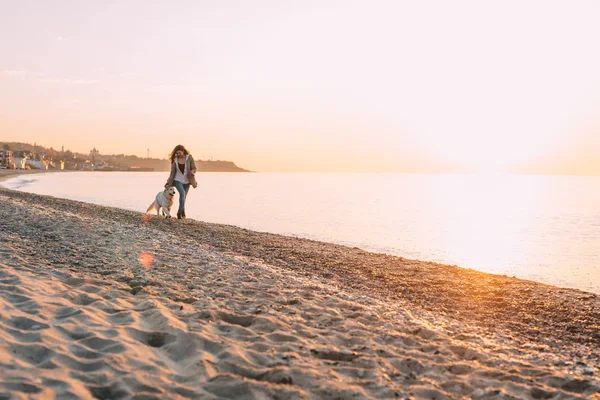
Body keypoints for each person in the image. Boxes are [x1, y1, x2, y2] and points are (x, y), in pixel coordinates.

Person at [165, 145, 198, 219]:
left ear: (183, 151)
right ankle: (182, 212)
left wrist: (192, 172)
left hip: (187, 181)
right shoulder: (175, 159)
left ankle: (179, 212)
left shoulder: (189, 158)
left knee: (184, 197)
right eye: (177, 153)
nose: (178, 154)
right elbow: (172, 172)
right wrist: (168, 181)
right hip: (177, 179)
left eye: (179, 153)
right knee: (182, 193)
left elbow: (194, 168)